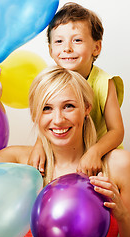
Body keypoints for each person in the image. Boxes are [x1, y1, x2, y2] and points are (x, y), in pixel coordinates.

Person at [0, 63, 130, 237]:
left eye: (68, 106)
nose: (58, 119)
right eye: (46, 108)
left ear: (86, 109)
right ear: (35, 115)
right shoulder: (23, 162)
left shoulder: (119, 164)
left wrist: (122, 214)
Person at [28, 2, 124, 177]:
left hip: (99, 154)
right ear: (50, 50)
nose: (67, 48)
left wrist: (95, 152)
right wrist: (39, 145)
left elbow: (116, 131)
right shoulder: (51, 82)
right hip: (66, 154)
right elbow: (47, 118)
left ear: (96, 47)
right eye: (59, 41)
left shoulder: (104, 82)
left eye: (77, 40)